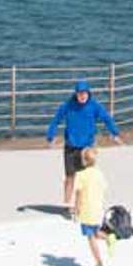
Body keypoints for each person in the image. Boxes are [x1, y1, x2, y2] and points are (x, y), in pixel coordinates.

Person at [47, 76, 120, 208]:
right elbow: (56, 120)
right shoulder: (68, 105)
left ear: (88, 93)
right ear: (76, 94)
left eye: (84, 93)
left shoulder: (94, 106)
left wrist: (114, 133)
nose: (82, 96)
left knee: (85, 178)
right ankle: (67, 204)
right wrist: (50, 136)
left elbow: (106, 118)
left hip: (87, 148)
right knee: (70, 177)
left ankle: (81, 205)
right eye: (80, 93)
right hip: (71, 146)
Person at [72, 149, 111, 266]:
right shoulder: (99, 173)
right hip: (97, 208)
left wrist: (76, 209)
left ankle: (99, 264)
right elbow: (103, 189)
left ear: (84, 161)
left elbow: (78, 194)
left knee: (91, 237)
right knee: (95, 232)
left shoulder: (80, 175)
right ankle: (109, 237)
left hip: (86, 210)